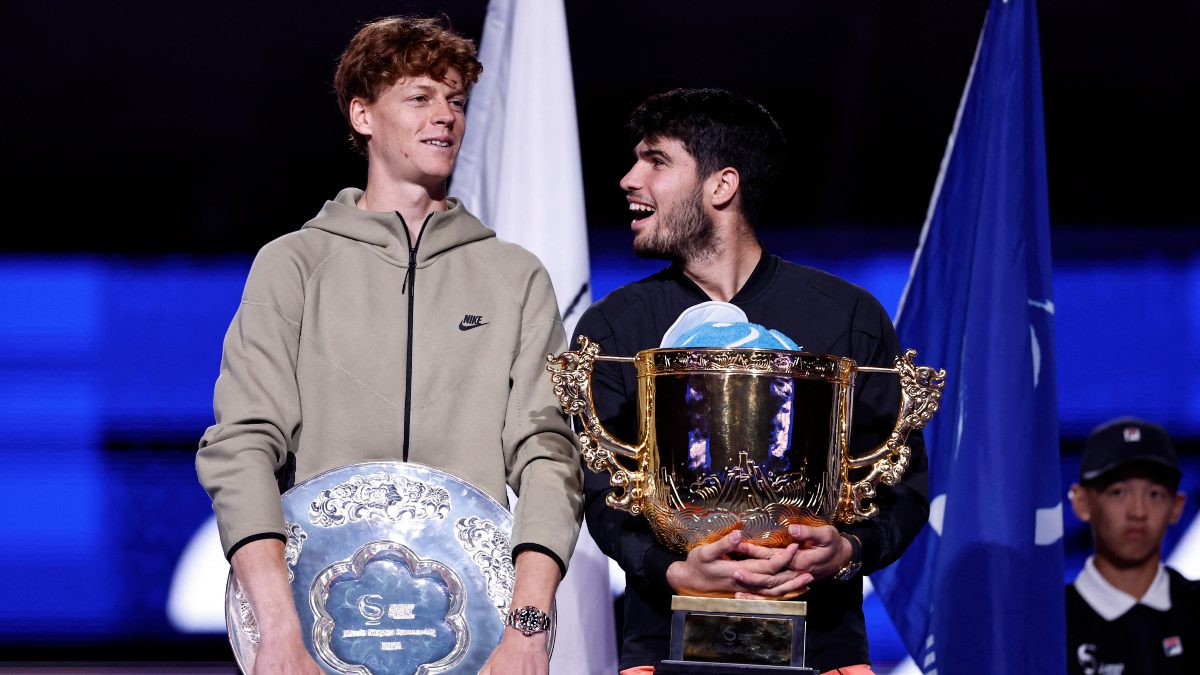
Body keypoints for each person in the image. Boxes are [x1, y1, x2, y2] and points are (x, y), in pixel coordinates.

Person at [195, 16, 582, 675]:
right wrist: (277, 627)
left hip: (476, 642)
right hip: (309, 636)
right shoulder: (293, 264)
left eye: (457, 100)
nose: (447, 116)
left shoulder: (514, 276)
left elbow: (548, 452)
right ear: (363, 114)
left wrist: (528, 628)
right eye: (421, 96)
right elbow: (241, 448)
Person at [573, 88, 928, 674]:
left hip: (825, 652)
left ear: (721, 186)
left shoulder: (846, 317)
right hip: (661, 650)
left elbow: (903, 485)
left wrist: (845, 552)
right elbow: (598, 490)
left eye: (656, 160)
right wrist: (673, 569)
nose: (629, 179)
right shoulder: (614, 326)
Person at [1066, 417, 1197, 674]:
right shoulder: (1049, 622)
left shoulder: (1194, 609)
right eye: (1118, 492)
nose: (1138, 512)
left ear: (1177, 506)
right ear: (1081, 502)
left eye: (1155, 494)